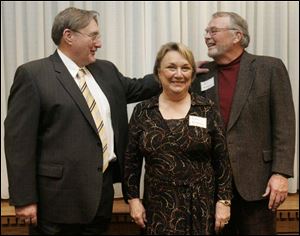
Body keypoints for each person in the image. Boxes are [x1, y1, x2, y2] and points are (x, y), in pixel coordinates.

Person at [4, 7, 161, 235]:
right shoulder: (34, 75)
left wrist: (175, 71)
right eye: (94, 35)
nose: (99, 43)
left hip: (100, 197)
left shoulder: (105, 70)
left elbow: (138, 87)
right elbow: (18, 142)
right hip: (57, 202)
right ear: (69, 36)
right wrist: (24, 198)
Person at [192, 12, 295, 235]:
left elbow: (284, 124)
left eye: (213, 31)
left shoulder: (269, 68)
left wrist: (281, 173)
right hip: (212, 187)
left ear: (237, 36)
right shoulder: (200, 75)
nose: (207, 37)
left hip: (257, 184)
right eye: (206, 32)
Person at [124, 42, 233, 235]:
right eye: (171, 67)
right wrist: (133, 200)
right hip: (157, 210)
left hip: (202, 209)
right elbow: (131, 163)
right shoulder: (143, 111)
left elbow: (222, 160)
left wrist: (224, 202)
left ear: (192, 74)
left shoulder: (206, 109)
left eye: (185, 68)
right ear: (158, 72)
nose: (178, 74)